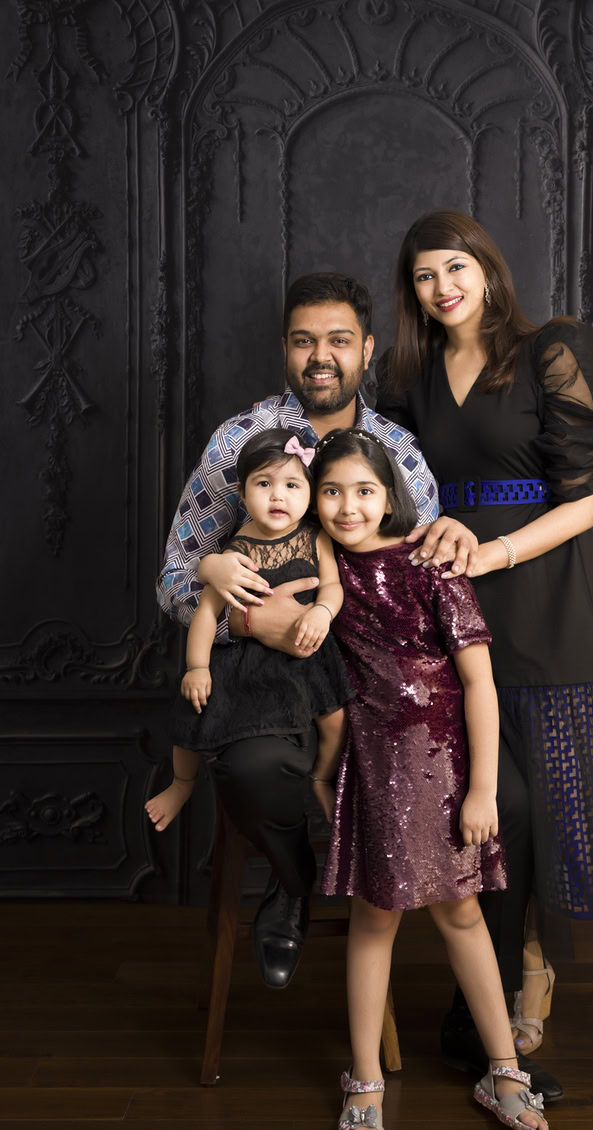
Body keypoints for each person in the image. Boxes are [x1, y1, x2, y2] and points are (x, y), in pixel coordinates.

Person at [376, 211, 593, 1109]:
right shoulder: (413, 379)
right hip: (455, 621)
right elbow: (390, 491)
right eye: (426, 275)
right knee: (505, 817)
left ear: (486, 267)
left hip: (542, 608)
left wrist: (490, 549)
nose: (444, 285)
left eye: (456, 265)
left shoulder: (549, 352)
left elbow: (581, 507)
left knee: (584, 818)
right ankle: (530, 977)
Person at [156, 272, 476, 990]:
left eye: (338, 341)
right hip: (270, 688)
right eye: (304, 342)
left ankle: (486, 1007)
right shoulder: (236, 443)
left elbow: (429, 583)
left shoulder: (399, 454)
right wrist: (244, 617)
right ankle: (293, 881)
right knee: (249, 769)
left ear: (367, 349)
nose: (320, 356)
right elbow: (176, 578)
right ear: (285, 351)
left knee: (501, 796)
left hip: (380, 686)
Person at [314, 428, 549, 1130]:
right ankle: (364, 1080)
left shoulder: (429, 565)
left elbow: (477, 678)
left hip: (444, 766)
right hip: (374, 766)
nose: (347, 507)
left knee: (461, 911)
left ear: (390, 495)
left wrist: (483, 787)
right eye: (330, 492)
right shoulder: (325, 574)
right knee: (375, 917)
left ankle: (504, 1068)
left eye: (362, 491)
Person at [147, 429, 353, 834]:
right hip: (248, 660)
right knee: (193, 716)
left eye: (292, 485)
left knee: (336, 719)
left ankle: (322, 779)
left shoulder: (317, 539)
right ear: (242, 497)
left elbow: (332, 586)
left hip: (309, 654)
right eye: (264, 484)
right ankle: (181, 783)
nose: (278, 496)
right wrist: (197, 666)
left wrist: (324, 613)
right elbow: (207, 611)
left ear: (310, 495)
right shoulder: (234, 552)